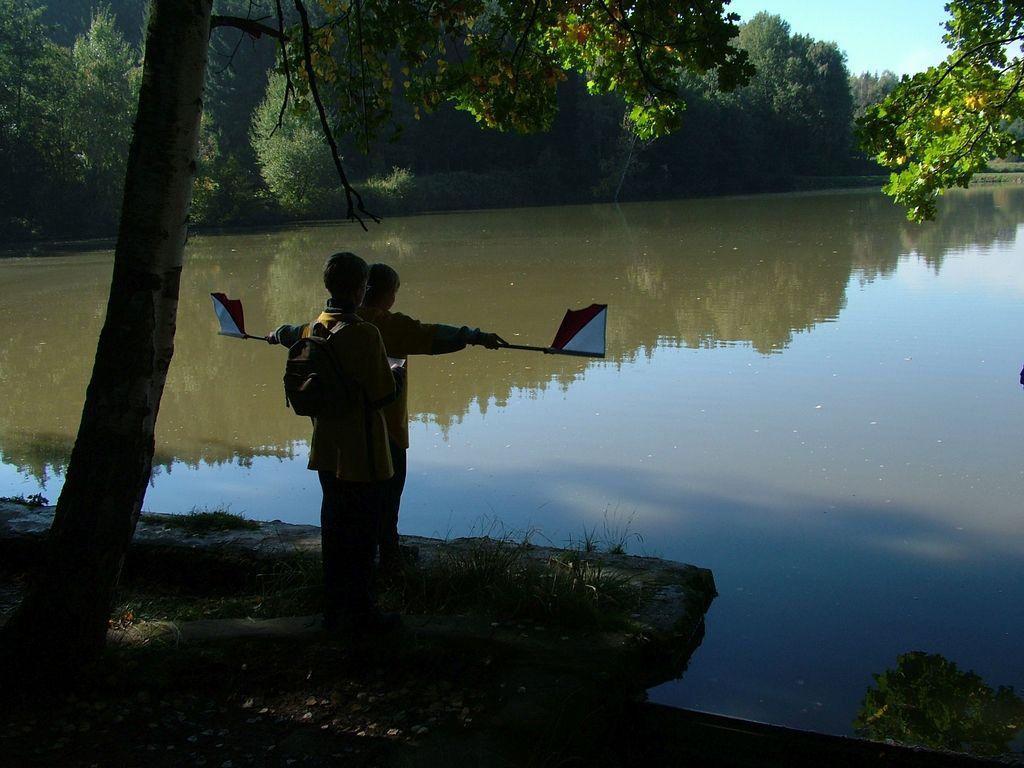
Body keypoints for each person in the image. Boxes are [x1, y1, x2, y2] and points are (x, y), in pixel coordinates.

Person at [267, 252, 401, 634]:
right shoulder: (364, 332)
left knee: (334, 531)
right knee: (362, 538)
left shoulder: (314, 328)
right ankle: (362, 615)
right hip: (364, 455)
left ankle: (333, 610)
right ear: (361, 290)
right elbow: (382, 395)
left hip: (326, 450)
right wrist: (396, 375)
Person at [357, 263, 505, 570]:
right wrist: (476, 336)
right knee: (389, 492)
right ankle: (389, 556)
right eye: (394, 292)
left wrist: (277, 334)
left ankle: (366, 553)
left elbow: (296, 332)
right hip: (385, 428)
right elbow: (432, 336)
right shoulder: (388, 325)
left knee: (355, 497)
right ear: (387, 294)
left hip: (346, 431)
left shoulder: (331, 322)